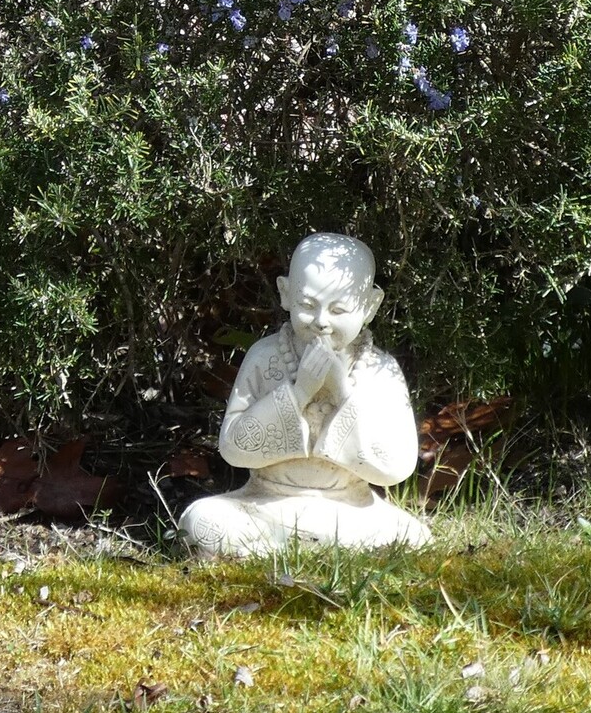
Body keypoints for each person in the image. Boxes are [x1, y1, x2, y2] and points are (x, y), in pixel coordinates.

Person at [178, 233, 431, 556]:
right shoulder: (265, 356)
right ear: (286, 294)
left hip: (349, 508)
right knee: (201, 520)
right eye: (308, 306)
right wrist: (299, 394)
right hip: (267, 503)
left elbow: (395, 466)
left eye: (338, 310)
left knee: (413, 537)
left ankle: (274, 551)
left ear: (370, 306)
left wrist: (341, 391)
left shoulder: (381, 369)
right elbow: (233, 447)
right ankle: (308, 550)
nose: (321, 322)